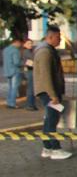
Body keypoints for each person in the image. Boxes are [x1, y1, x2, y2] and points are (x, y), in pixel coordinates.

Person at [33, 25, 72, 160]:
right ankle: (54, 148)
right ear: (50, 37)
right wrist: (53, 95)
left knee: (50, 119)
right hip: (48, 92)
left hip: (48, 91)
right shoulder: (45, 52)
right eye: (58, 37)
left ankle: (47, 147)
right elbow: (46, 75)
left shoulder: (47, 50)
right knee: (52, 119)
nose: (60, 39)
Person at [3, 37, 22, 108]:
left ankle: (9, 102)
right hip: (14, 71)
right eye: (20, 44)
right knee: (14, 88)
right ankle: (12, 103)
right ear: (16, 42)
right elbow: (16, 62)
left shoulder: (5, 50)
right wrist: (23, 63)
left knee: (10, 87)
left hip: (7, 70)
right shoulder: (15, 50)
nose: (20, 45)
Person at [22, 39, 37, 110]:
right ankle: (30, 104)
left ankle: (32, 104)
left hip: (32, 71)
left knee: (32, 89)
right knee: (31, 89)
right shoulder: (26, 52)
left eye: (31, 43)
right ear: (24, 44)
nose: (30, 45)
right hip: (30, 71)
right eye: (28, 43)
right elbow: (29, 63)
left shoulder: (31, 51)